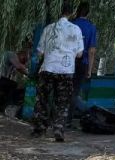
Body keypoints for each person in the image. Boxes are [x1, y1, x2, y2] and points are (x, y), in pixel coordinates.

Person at [31, 1, 84, 142]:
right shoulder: (76, 29)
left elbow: (40, 52)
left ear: (57, 11)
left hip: (48, 68)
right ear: (72, 13)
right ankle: (58, 129)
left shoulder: (48, 28)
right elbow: (79, 54)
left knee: (42, 99)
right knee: (63, 101)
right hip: (66, 70)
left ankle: (39, 129)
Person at [70, 2, 98, 121]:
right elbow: (91, 51)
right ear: (88, 13)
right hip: (82, 62)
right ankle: (68, 120)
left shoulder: (71, 24)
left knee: (63, 89)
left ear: (77, 11)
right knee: (75, 91)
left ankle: (57, 115)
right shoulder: (91, 27)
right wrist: (89, 69)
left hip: (67, 61)